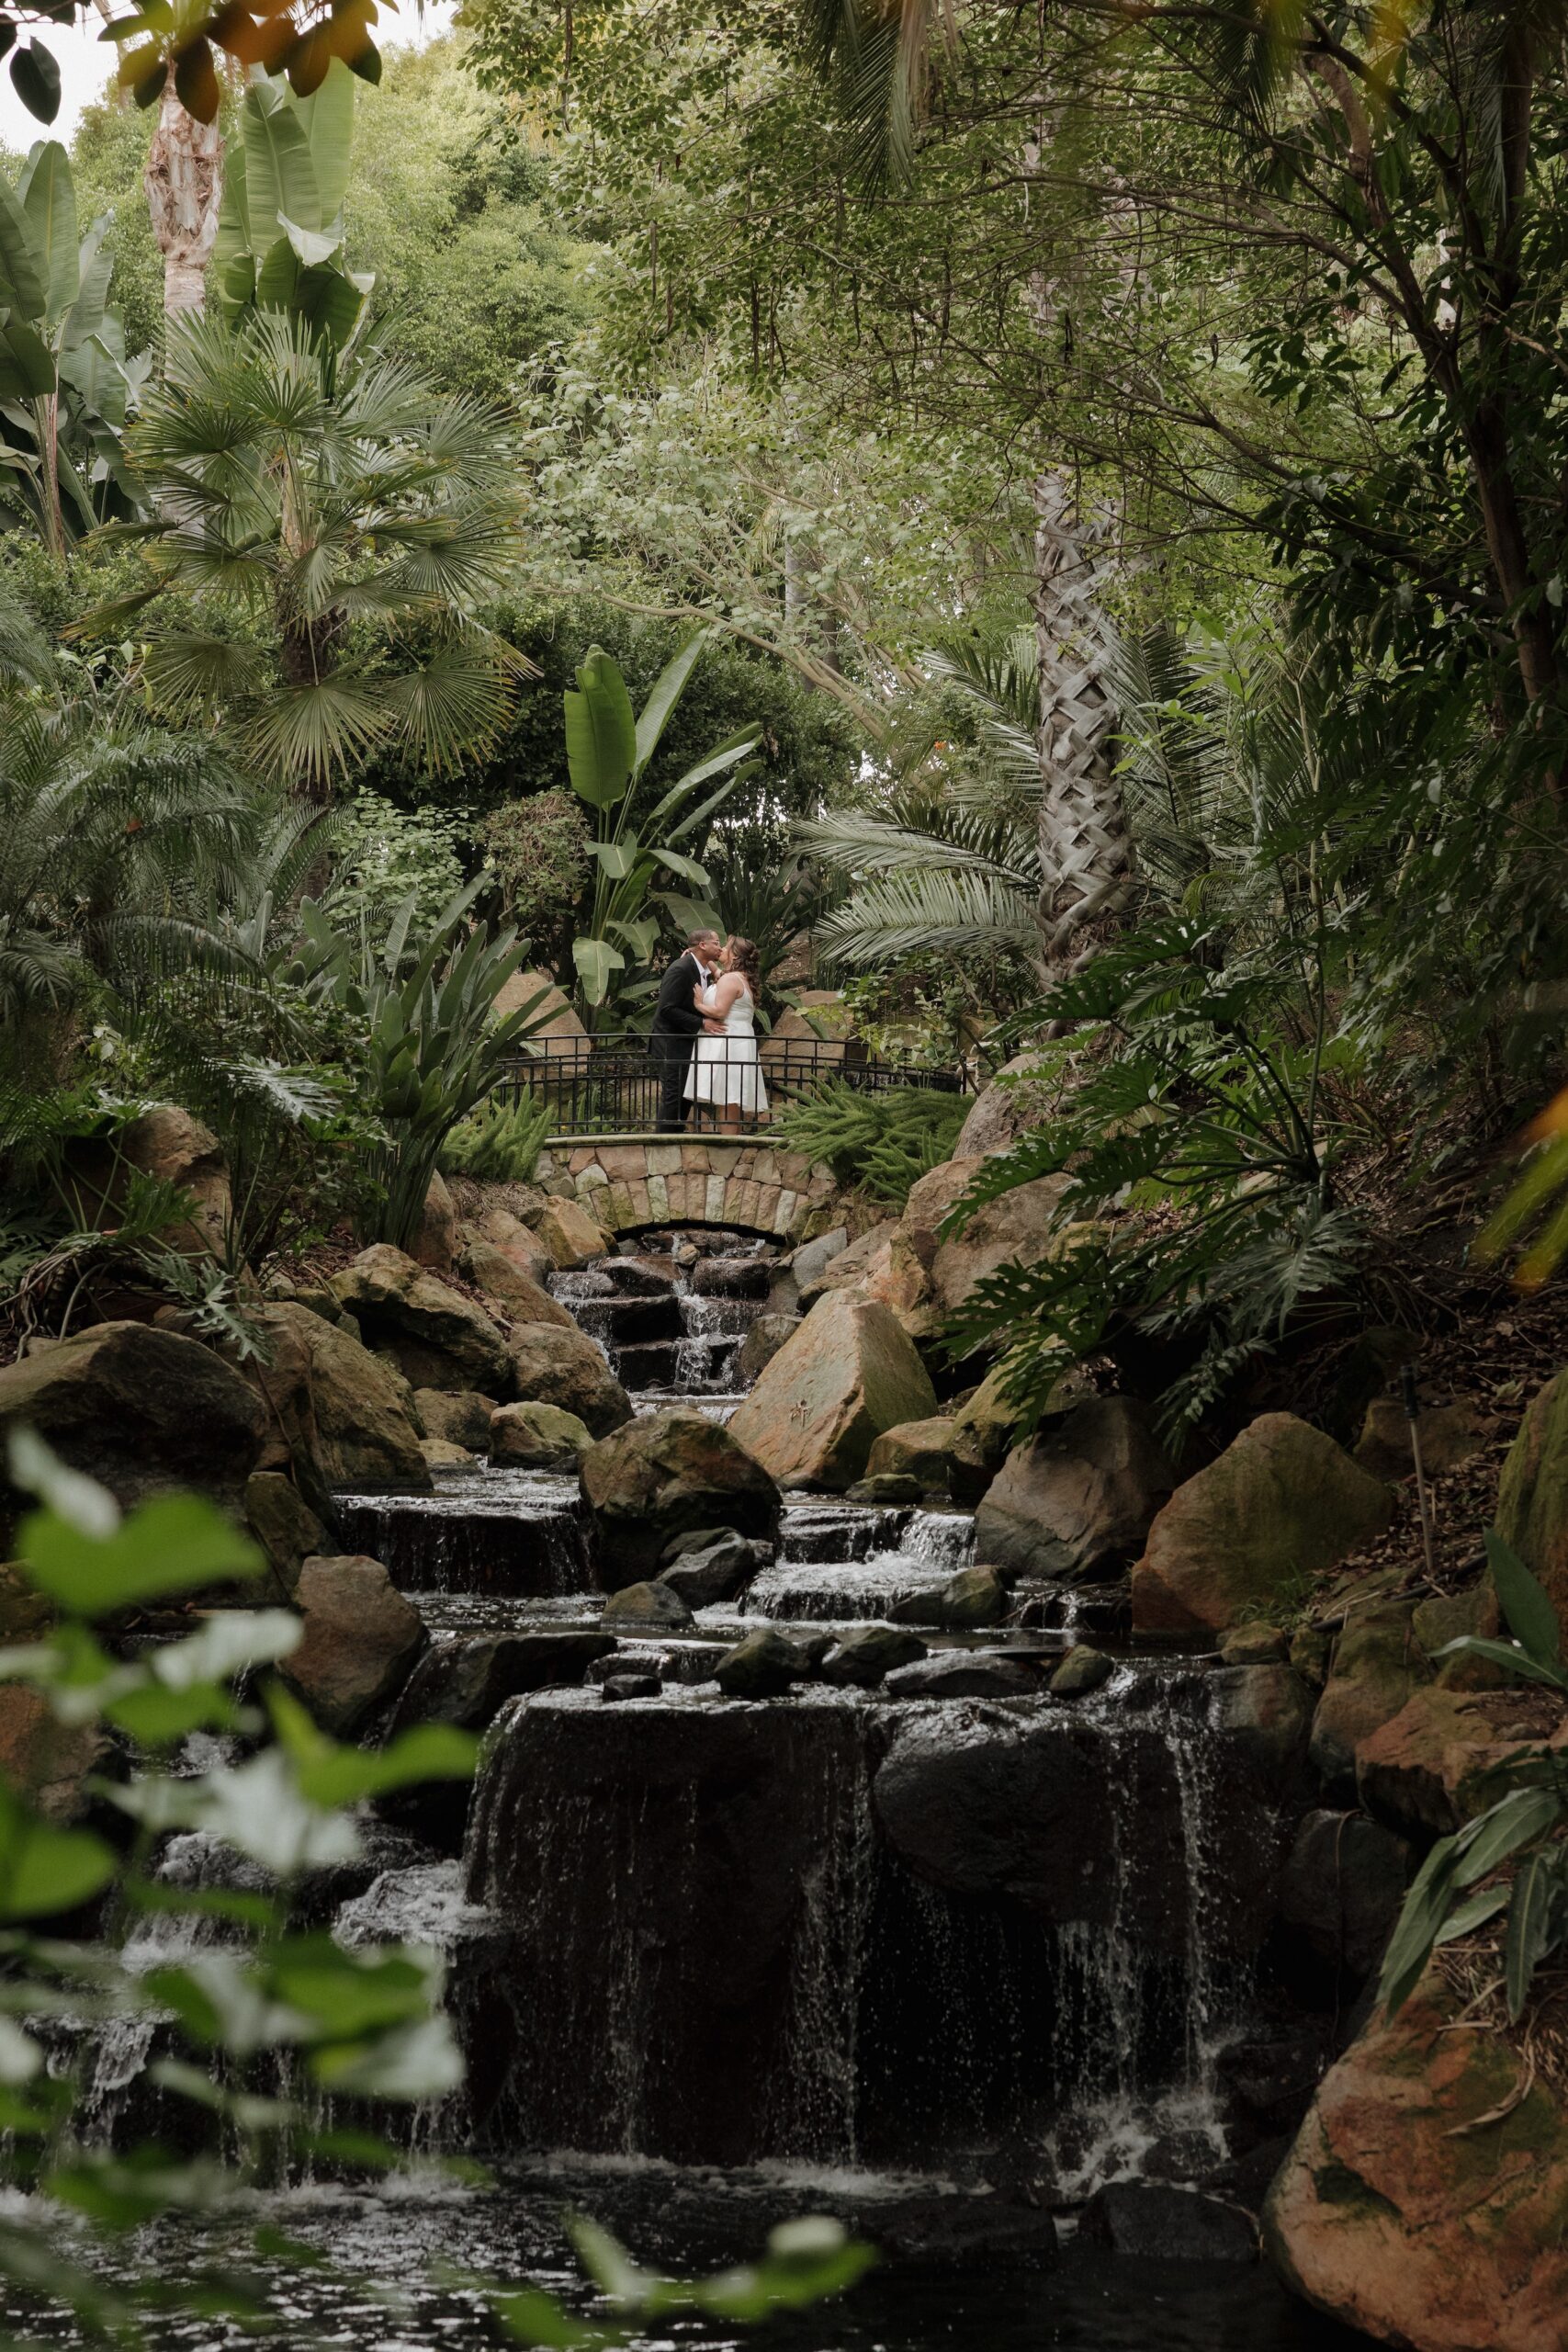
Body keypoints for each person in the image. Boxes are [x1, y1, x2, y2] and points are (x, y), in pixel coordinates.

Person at [685, 936, 768, 1130]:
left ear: (735, 955)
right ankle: (733, 1140)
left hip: (728, 1041)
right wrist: (699, 955)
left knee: (728, 1097)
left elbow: (720, 1012)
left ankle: (729, 1142)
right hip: (739, 1040)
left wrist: (698, 1004)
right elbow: (717, 972)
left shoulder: (730, 979)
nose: (721, 948)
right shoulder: (739, 977)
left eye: (726, 947)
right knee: (730, 1097)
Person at [650, 928, 720, 1131]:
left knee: (685, 1094)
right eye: (716, 943)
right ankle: (663, 1142)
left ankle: (677, 1137)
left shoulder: (702, 971)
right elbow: (667, 1008)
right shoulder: (681, 969)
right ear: (702, 945)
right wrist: (702, 1023)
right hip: (671, 1042)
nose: (720, 947)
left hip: (687, 1042)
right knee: (673, 1094)